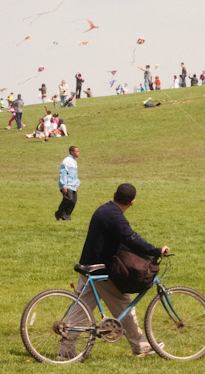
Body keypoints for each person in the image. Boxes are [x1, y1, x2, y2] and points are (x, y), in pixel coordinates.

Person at [63, 183, 170, 358]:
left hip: (88, 266)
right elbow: (130, 238)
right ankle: (141, 345)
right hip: (100, 271)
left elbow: (121, 241)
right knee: (125, 307)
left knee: (79, 312)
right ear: (132, 202)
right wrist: (155, 250)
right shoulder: (115, 216)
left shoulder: (104, 210)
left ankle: (65, 352)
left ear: (114, 194)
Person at [56, 146, 80, 221]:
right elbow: (63, 173)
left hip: (73, 185)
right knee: (69, 199)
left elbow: (74, 174)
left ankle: (66, 216)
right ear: (71, 152)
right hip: (67, 184)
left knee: (73, 201)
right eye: (76, 151)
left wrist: (77, 183)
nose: (78, 153)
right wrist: (64, 185)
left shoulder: (74, 162)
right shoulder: (67, 161)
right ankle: (59, 213)